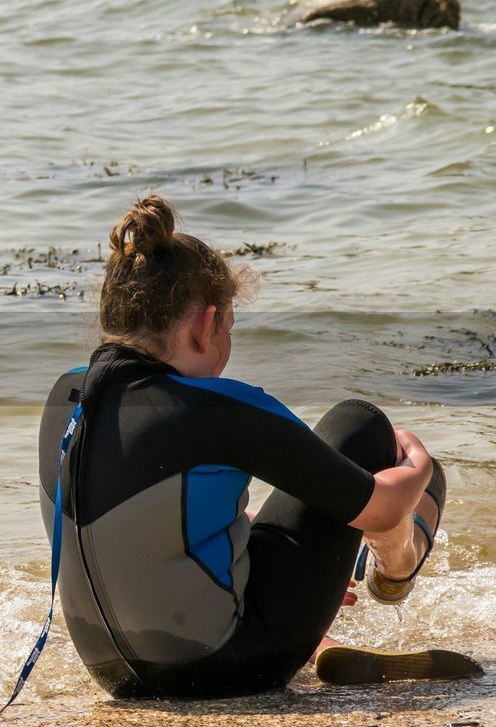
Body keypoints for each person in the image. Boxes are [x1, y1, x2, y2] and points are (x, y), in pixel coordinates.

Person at [37, 195, 447, 698]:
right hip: (228, 667)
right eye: (229, 329)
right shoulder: (216, 407)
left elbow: (141, 525)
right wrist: (420, 464)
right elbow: (382, 508)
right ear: (204, 325)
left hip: (113, 673)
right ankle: (396, 574)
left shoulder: (65, 399)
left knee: (239, 527)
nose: (226, 352)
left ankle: (323, 641)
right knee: (362, 428)